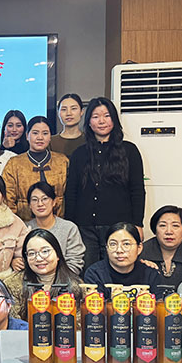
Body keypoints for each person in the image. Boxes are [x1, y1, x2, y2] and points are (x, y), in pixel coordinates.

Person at [65, 97, 146, 267]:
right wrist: (70, 226)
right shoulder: (79, 154)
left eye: (106, 116)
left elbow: (137, 190)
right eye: (95, 117)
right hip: (85, 227)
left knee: (119, 270)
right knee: (88, 273)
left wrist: (138, 224)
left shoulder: (129, 151)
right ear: (88, 122)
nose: (101, 121)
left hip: (119, 227)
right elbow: (71, 192)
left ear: (114, 120)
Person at [3, 229, 83, 321]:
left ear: (57, 254)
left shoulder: (75, 285)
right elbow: (13, 323)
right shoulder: (12, 284)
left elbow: (79, 323)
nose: (39, 258)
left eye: (45, 251)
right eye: (32, 253)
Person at [2, 115, 69, 221]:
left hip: (58, 222)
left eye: (45, 133)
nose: (40, 137)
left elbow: (70, 195)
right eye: (35, 133)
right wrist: (16, 225)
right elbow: (8, 200)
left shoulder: (62, 161)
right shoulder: (14, 163)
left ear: (50, 137)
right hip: (23, 224)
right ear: (27, 135)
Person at [83, 222, 159, 297]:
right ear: (106, 248)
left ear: (139, 248)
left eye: (126, 244)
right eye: (113, 244)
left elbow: (159, 302)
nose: (119, 250)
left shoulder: (150, 274)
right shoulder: (95, 273)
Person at [25, 182, 85, 274]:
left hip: (64, 279)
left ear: (53, 202)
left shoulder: (69, 228)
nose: (40, 204)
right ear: (29, 205)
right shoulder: (24, 229)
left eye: (45, 199)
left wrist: (52, 278)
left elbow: (75, 262)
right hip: (32, 279)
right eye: (34, 200)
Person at [140, 205, 182, 289]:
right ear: (155, 229)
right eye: (163, 225)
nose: (169, 231)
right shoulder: (141, 251)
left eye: (175, 226)